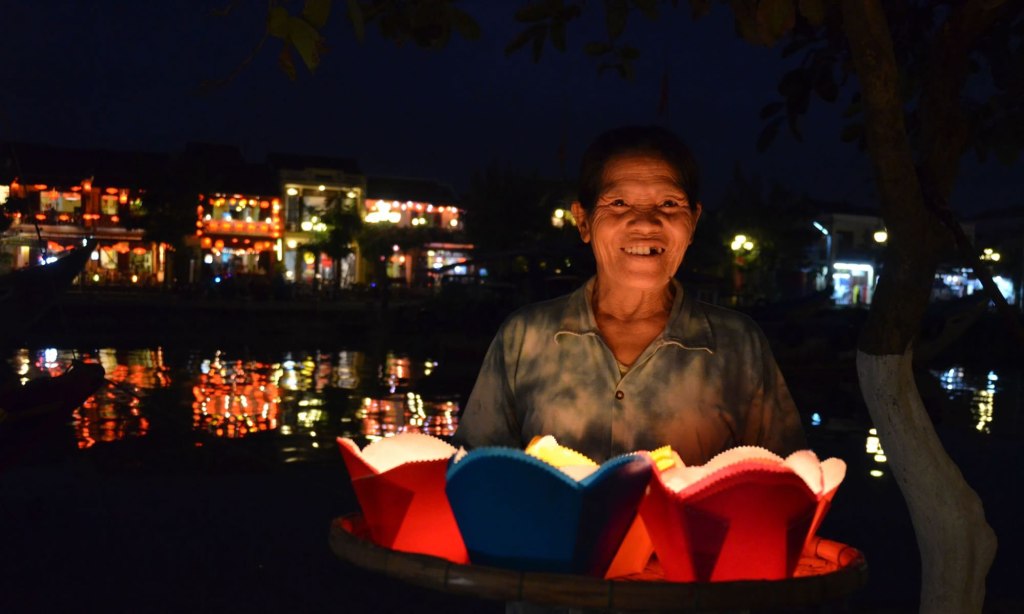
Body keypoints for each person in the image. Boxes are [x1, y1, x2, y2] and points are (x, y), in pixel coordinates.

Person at [452, 125, 806, 467]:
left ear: (693, 221)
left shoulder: (738, 345)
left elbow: (785, 488)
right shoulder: (525, 337)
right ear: (584, 222)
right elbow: (477, 475)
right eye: (619, 203)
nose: (646, 223)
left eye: (669, 203)